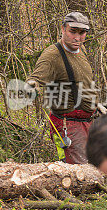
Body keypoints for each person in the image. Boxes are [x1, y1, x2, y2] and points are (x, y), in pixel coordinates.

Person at [26, 11, 96, 164]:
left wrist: (97, 105)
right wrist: (31, 87)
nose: (77, 37)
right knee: (80, 175)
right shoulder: (52, 55)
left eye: (82, 32)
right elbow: (35, 79)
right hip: (67, 126)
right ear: (63, 29)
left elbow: (82, 82)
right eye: (73, 31)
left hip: (88, 121)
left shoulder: (81, 50)